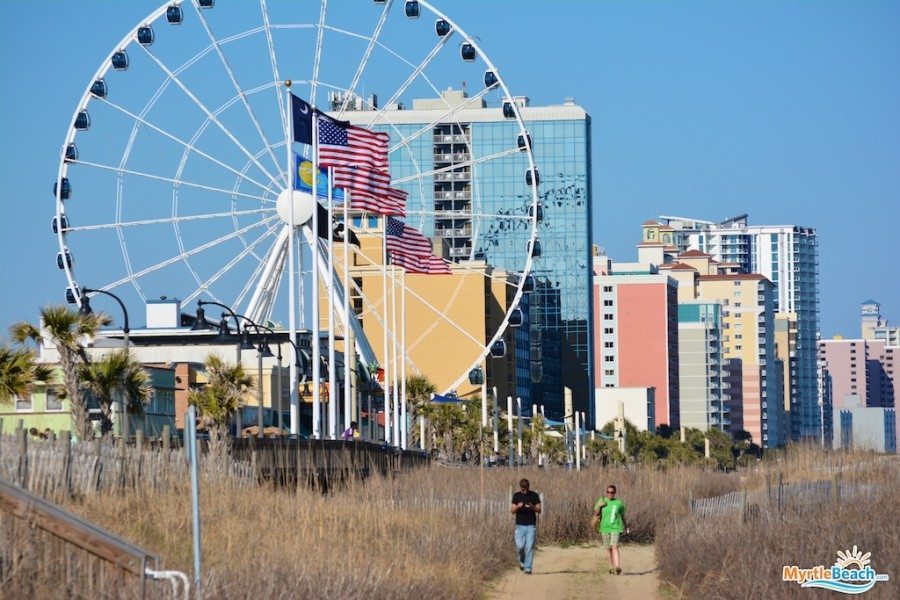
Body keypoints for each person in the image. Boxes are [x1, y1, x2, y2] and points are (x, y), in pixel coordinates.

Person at [592, 484, 628, 575]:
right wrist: (599, 506)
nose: (609, 494)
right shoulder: (602, 500)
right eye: (608, 492)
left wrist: (626, 526)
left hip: (616, 527)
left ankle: (617, 566)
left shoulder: (619, 503)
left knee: (614, 546)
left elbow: (623, 516)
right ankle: (611, 567)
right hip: (604, 527)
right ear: (606, 492)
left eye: (611, 492)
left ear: (614, 493)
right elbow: (596, 513)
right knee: (608, 548)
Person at [510, 478, 541, 574]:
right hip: (519, 525)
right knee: (520, 546)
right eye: (523, 489)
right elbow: (512, 511)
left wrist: (533, 507)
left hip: (531, 525)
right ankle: (521, 562)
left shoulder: (534, 496)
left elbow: (539, 510)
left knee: (529, 547)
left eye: (527, 488)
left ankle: (528, 568)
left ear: (529, 486)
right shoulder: (516, 496)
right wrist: (517, 507)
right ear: (520, 487)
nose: (525, 490)